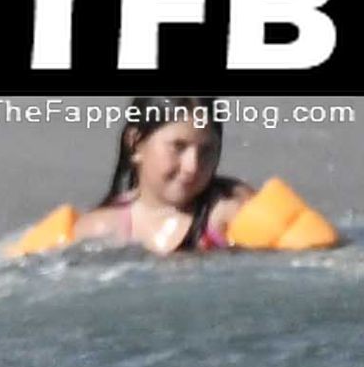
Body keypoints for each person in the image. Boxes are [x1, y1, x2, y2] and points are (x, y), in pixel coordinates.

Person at [70, 96, 252, 256]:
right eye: (178, 146)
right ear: (135, 144)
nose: (193, 166)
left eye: (207, 150)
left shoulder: (227, 213)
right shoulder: (101, 229)